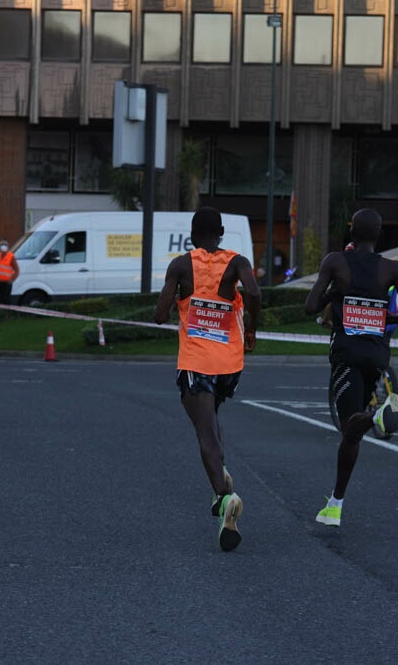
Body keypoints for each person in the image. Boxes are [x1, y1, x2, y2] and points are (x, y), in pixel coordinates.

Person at [153, 207, 261, 552]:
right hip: (229, 364)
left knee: (204, 432)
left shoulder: (181, 265)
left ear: (191, 233)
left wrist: (175, 305)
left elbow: (159, 315)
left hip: (196, 361)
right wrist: (252, 331)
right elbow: (255, 293)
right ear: (222, 232)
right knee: (212, 420)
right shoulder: (237, 261)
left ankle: (223, 497)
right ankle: (222, 473)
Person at [305, 208, 398, 527]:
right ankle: (335, 504)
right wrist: (383, 320)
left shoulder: (335, 262)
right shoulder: (392, 268)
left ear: (351, 232)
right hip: (376, 355)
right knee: (352, 434)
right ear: (379, 234)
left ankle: (375, 416)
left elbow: (310, 307)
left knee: (349, 428)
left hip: (346, 353)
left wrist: (336, 294)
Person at [0, 239, 18, 306]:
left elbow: (17, 270)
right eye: (2, 244)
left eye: (5, 245)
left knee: (5, 302)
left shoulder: (11, 256)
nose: (3, 246)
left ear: (8, 246)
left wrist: (12, 280)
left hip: (6, 284)